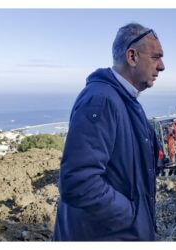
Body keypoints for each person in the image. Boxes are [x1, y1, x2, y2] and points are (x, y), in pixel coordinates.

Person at [53, 23, 165, 241]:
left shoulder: (126, 100)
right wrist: (132, 216)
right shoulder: (101, 100)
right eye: (156, 57)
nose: (162, 66)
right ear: (132, 56)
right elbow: (79, 182)